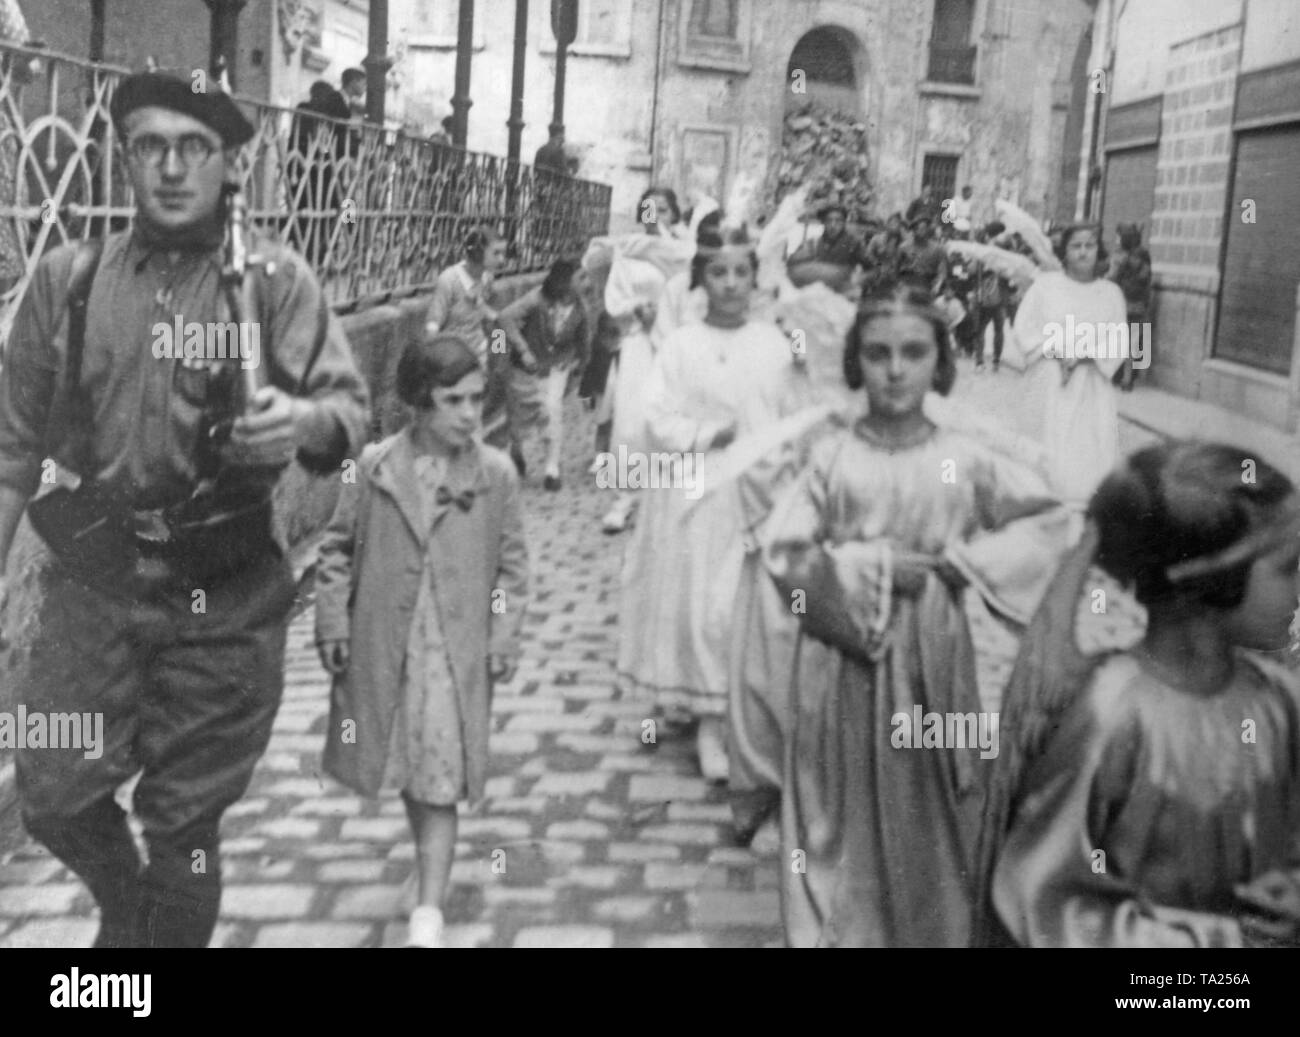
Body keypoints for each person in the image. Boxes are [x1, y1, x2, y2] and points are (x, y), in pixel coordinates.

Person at [0, 69, 370, 947]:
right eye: (149, 147)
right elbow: (12, 444)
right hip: (96, 577)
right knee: (50, 787)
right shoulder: (66, 280)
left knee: (184, 825)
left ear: (228, 165)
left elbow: (349, 415)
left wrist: (299, 421)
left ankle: (137, 967)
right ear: (122, 160)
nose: (171, 168)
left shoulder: (275, 281)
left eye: (193, 147)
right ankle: (128, 914)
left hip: (227, 590)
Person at [762, 281, 1067, 947]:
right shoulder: (831, 457)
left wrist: (973, 562)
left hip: (934, 654)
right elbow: (784, 553)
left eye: (913, 352)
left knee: (931, 800)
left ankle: (931, 926)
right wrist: (870, 570)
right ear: (854, 362)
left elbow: (1051, 519)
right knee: (835, 805)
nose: (895, 370)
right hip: (841, 662)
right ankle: (844, 929)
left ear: (940, 361)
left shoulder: (963, 458)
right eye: (877, 353)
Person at [990, 442, 1300, 948]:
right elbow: (1050, 898)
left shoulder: (1281, 702)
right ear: (1209, 584)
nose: (1299, 590)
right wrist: (1225, 942)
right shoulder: (1112, 714)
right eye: (1288, 568)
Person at [315, 334, 527, 949]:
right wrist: (332, 620)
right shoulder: (376, 466)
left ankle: (426, 918)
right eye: (452, 400)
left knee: (440, 778)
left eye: (476, 398)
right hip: (390, 648)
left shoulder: (495, 474)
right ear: (417, 402)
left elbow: (512, 568)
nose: (469, 413)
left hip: (454, 653)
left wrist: (503, 630)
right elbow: (334, 548)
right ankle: (426, 864)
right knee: (410, 770)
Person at [617, 222, 809, 783]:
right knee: (690, 597)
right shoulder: (681, 344)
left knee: (733, 603)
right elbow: (655, 415)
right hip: (692, 490)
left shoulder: (773, 344)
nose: (730, 284)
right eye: (718, 273)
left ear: (756, 276)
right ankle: (686, 703)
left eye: (741, 272)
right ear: (700, 279)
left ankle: (721, 717)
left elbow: (793, 414)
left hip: (752, 491)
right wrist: (706, 435)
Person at [1013, 222, 1127, 513]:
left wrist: (1085, 356)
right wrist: (1058, 351)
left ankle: (1086, 503)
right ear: (1064, 252)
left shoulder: (1111, 293)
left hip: (1091, 382)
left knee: (1087, 445)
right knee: (1049, 438)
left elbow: (1121, 340)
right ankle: (1045, 499)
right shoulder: (1045, 287)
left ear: (1098, 251)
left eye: (1089, 246)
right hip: (1051, 377)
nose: (1083, 252)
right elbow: (1024, 328)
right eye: (1076, 246)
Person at [497, 257, 591, 490]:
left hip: (557, 367)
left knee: (552, 409)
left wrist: (582, 369)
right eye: (581, 277)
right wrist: (523, 349)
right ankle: (516, 450)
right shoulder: (537, 299)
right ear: (564, 281)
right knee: (520, 417)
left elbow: (583, 340)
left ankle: (552, 468)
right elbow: (503, 319)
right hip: (526, 369)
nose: (586, 282)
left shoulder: (581, 308)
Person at [424, 227, 508, 449]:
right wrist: (433, 363)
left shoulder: (487, 279)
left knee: (474, 417)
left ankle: (473, 464)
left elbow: (493, 319)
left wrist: (496, 355)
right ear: (479, 253)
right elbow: (432, 325)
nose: (502, 259)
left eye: (503, 253)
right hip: (451, 364)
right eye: (496, 253)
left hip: (477, 359)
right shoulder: (449, 280)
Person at [1109, 222, 1152, 392]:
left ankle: (1114, 375)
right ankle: (1128, 380)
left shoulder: (1121, 257)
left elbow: (1112, 277)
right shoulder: (1144, 257)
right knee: (1133, 342)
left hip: (1121, 303)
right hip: (1139, 305)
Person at [899, 215, 946, 295]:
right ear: (913, 230)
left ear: (928, 229)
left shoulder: (937, 248)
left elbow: (942, 271)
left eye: (924, 228)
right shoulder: (904, 247)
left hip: (927, 285)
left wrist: (938, 284)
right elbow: (897, 269)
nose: (921, 231)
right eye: (918, 229)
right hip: (907, 285)